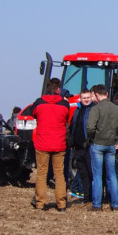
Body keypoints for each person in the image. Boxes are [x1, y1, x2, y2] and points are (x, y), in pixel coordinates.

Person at [29, 78, 70, 212]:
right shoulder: (64, 104)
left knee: (42, 173)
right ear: (58, 89)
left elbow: (32, 113)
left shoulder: (39, 103)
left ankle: (40, 202)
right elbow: (66, 118)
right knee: (59, 174)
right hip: (59, 143)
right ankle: (61, 203)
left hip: (42, 142)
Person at [86, 85, 118, 211]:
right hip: (111, 145)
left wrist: (92, 138)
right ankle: (115, 204)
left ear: (96, 94)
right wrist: (115, 139)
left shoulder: (96, 109)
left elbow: (90, 127)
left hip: (98, 144)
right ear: (106, 93)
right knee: (112, 175)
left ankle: (97, 205)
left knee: (97, 176)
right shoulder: (117, 109)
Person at [67, 89, 95, 204]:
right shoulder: (77, 111)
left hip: (89, 146)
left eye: (88, 97)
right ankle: (86, 197)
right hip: (78, 147)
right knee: (83, 173)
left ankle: (94, 197)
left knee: (91, 173)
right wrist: (71, 140)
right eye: (84, 98)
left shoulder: (94, 110)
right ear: (80, 99)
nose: (87, 100)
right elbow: (73, 126)